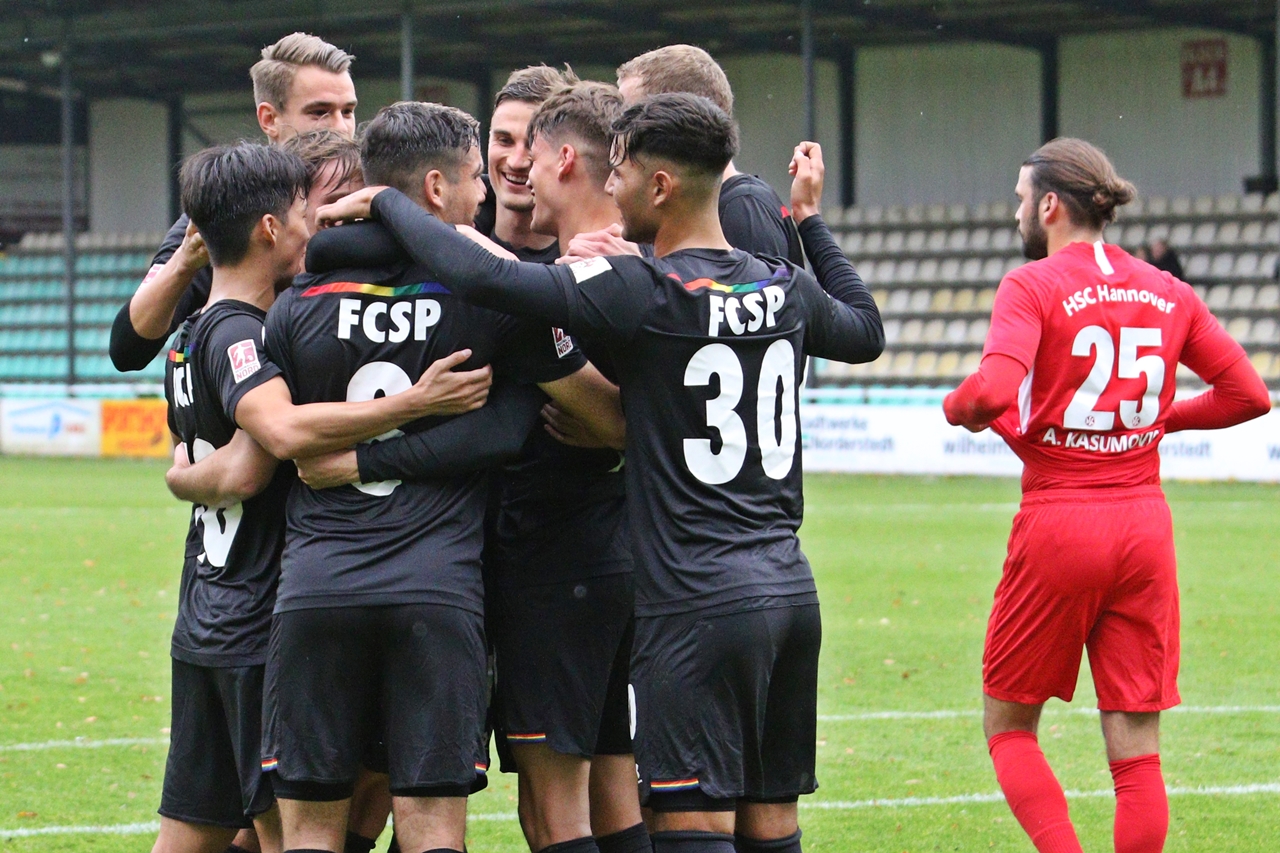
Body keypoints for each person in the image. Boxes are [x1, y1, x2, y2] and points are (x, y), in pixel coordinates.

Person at [314, 94, 884, 853]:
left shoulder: (643, 290)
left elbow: (482, 279)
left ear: (658, 187)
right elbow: (865, 329)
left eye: (619, 176)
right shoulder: (780, 282)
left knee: (692, 829)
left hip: (695, 601)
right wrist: (808, 223)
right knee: (772, 826)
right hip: (788, 593)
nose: (608, 192)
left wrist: (388, 197)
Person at [241, 101, 621, 853]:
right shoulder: (490, 302)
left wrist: (351, 460)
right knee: (431, 823)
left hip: (316, 588)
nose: (489, 192)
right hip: (436, 594)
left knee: (312, 827)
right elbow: (527, 426)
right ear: (440, 188)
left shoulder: (294, 309)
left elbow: (274, 439)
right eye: (479, 175)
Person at [155, 142, 488, 853]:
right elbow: (267, 444)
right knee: (293, 831)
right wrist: (416, 400)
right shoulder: (245, 331)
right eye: (305, 211)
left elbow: (206, 462)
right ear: (271, 227)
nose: (317, 224)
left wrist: (180, 476)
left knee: (197, 831)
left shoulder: (187, 338)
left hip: (206, 615)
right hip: (254, 617)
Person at [943, 138, 1270, 853]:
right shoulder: (1167, 289)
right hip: (1143, 525)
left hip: (1061, 522)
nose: (1017, 210)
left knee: (1009, 728)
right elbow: (1249, 394)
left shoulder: (1031, 285)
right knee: (1137, 754)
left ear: (1050, 205)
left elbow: (995, 390)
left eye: (1021, 197)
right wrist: (1155, 420)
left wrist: (959, 406)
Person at [485, 80, 647, 853]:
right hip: (614, 558)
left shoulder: (580, 281)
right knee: (615, 787)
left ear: (567, 159)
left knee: (558, 810)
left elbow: (505, 291)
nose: (520, 166)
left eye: (533, 150)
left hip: (556, 564)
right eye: (503, 143)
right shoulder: (648, 261)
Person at [110, 32, 358, 373]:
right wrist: (185, 261)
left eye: (348, 111)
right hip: (262, 401)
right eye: (319, 113)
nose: (340, 127)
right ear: (269, 118)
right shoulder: (233, 207)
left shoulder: (378, 198)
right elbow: (127, 349)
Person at [485, 65, 579, 261]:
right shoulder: (444, 243)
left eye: (532, 145)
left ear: (566, 155)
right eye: (504, 140)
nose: (516, 162)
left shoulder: (587, 262)